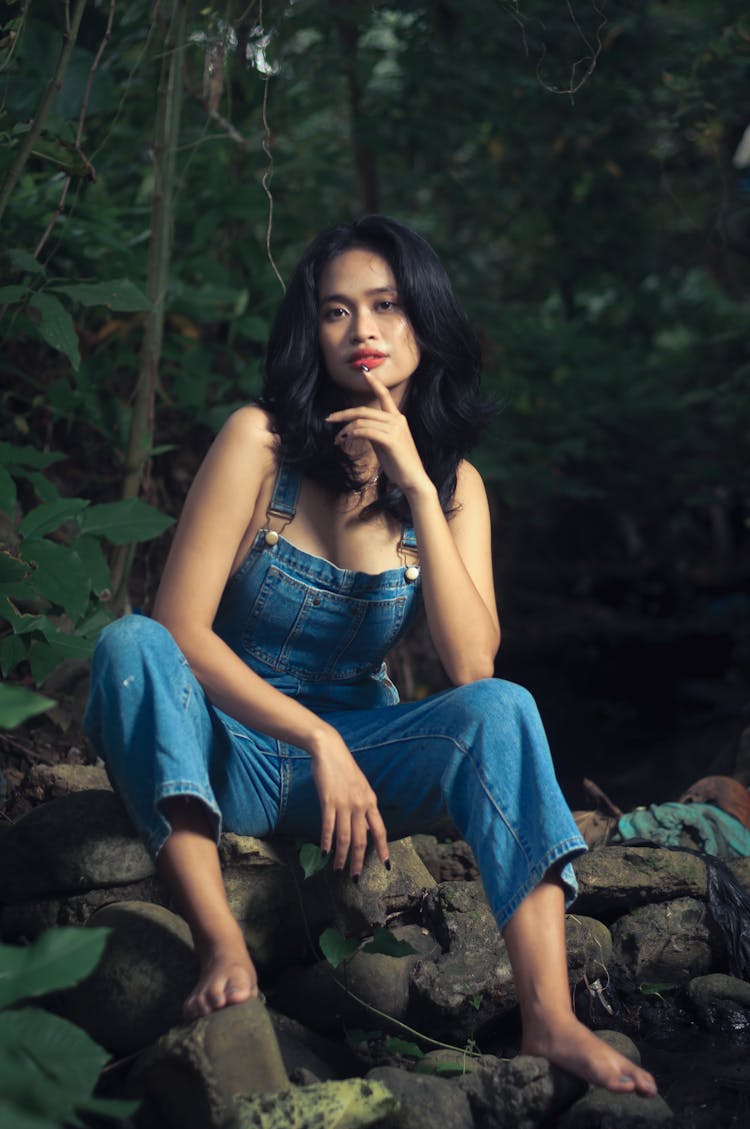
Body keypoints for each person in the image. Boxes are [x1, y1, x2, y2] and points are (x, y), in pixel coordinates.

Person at [85, 215, 657, 1096]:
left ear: (422, 321)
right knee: (129, 645)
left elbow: (474, 670)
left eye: (386, 306)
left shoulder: (457, 487)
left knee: (507, 707)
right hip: (230, 747)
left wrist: (421, 488)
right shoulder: (260, 443)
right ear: (310, 333)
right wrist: (317, 736)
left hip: (361, 761)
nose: (364, 332)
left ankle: (550, 1017)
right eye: (337, 311)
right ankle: (221, 944)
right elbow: (181, 633)